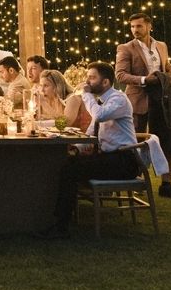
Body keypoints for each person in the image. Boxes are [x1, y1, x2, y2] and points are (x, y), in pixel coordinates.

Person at [38, 62, 139, 239]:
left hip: (124, 160)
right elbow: (91, 134)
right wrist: (76, 149)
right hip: (107, 156)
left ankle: (60, 226)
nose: (87, 82)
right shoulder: (99, 102)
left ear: (106, 82)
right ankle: (54, 219)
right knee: (66, 164)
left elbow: (95, 116)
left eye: (92, 78)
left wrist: (86, 95)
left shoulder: (117, 99)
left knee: (69, 170)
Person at [115, 12, 171, 198]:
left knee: (167, 140)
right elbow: (121, 75)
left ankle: (167, 184)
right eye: (132, 27)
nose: (135, 30)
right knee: (136, 141)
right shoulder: (126, 48)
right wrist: (143, 79)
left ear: (149, 26)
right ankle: (135, 179)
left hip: (162, 99)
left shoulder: (161, 46)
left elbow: (167, 66)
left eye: (139, 26)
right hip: (139, 99)